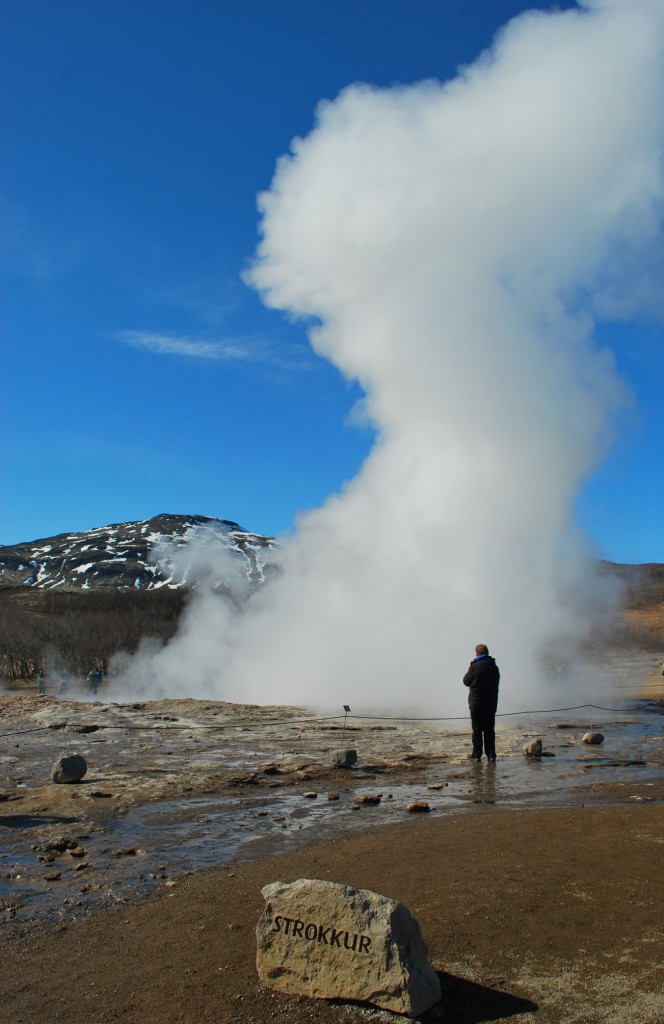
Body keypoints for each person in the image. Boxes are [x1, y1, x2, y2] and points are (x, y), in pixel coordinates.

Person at [463, 643, 500, 762]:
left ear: (477, 653)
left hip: (477, 704)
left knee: (477, 729)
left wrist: (469, 669)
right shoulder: (494, 667)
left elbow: (466, 681)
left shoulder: (475, 666)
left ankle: (476, 755)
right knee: (489, 730)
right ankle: (491, 755)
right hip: (491, 703)